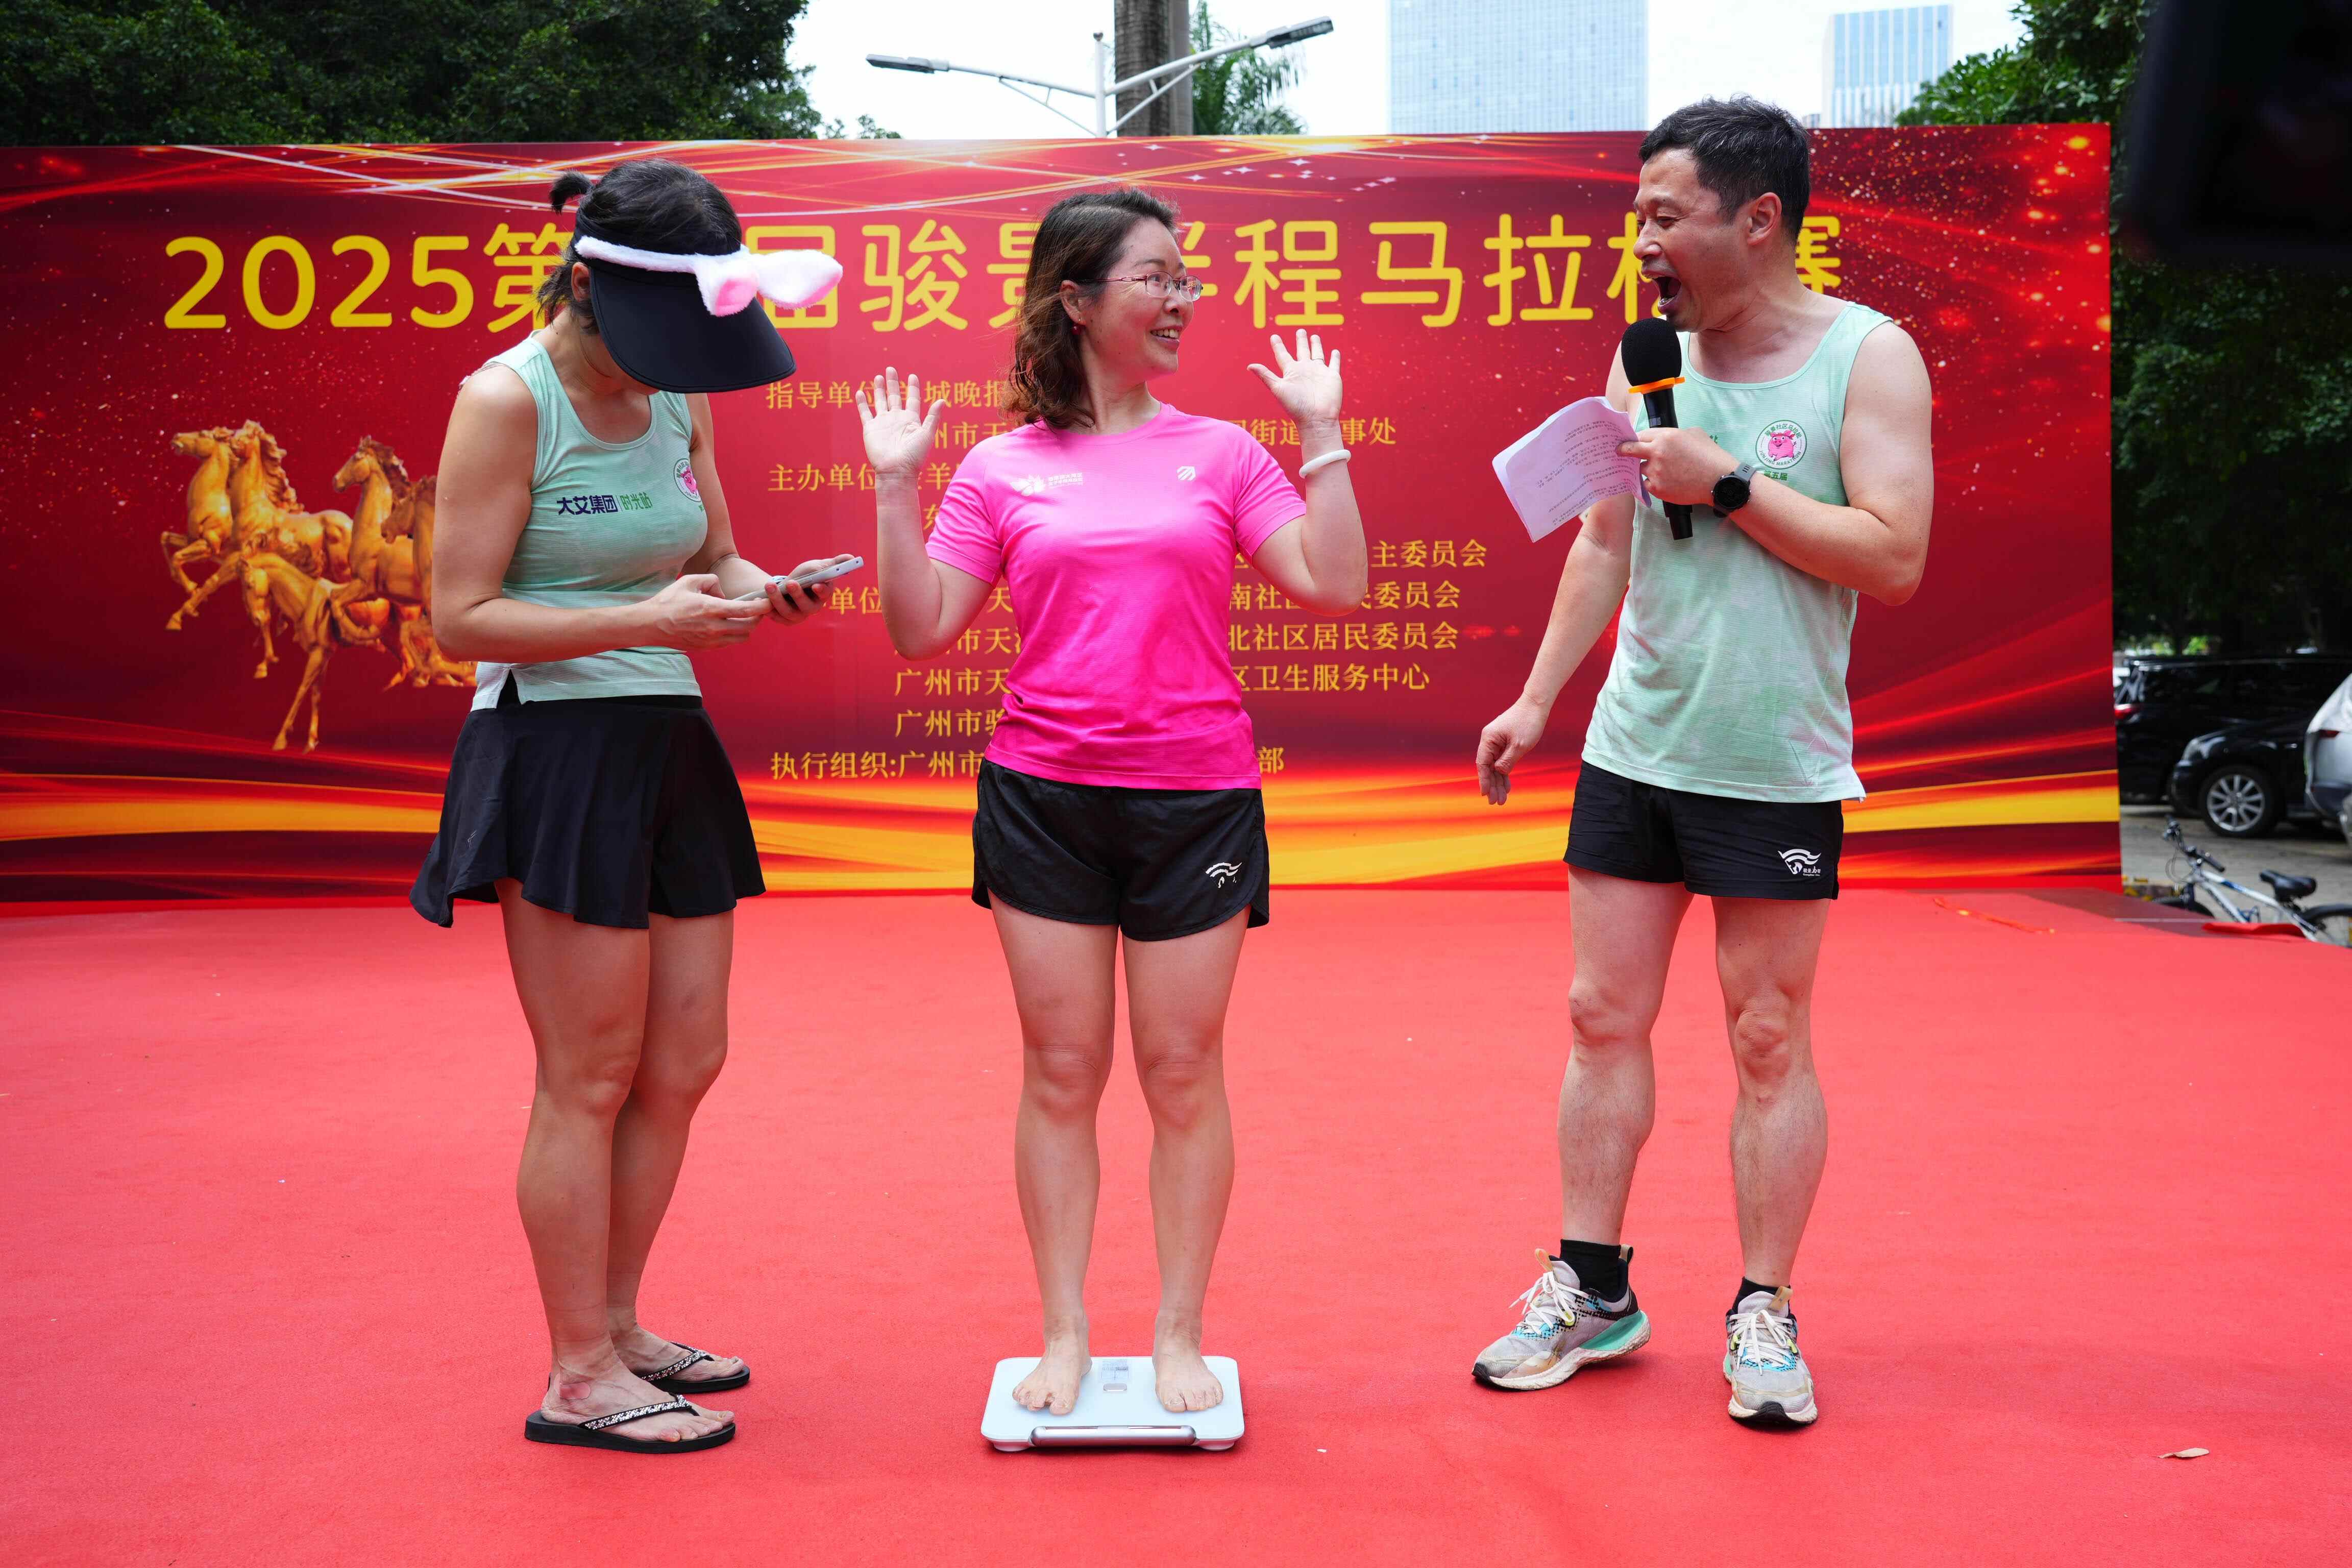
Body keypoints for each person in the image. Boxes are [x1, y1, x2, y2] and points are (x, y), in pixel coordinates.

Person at [857, 189, 1366, 1416]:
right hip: (1045, 797)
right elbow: (922, 632)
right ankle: (1065, 1334)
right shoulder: (1000, 468)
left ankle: (1180, 1332)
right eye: (1157, 277)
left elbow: (1335, 585)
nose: (1183, 298)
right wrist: (894, 490)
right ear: (1078, 301)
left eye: (1186, 277)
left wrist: (1323, 435)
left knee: (1182, 1072)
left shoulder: (1224, 453)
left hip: (1195, 798)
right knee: (1060, 1070)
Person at [1468, 97, 1934, 1427]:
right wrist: (1538, 698)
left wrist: (1726, 481)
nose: (1643, 242)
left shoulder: (1867, 357)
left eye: (1664, 216)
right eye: (1638, 218)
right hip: (1636, 749)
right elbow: (1603, 542)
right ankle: (1591, 1285)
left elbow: (1894, 557)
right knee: (1597, 1016)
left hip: (1775, 761)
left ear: (1758, 218)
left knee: (1768, 1035)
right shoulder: (1647, 361)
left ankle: (1764, 1307)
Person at [411, 159, 847, 1453]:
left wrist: (764, 592)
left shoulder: (676, 397)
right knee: (590, 1073)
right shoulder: (506, 399)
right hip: (554, 751)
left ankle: (619, 1328)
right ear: (591, 290)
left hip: (669, 739)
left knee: (684, 1061)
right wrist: (644, 621)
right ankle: (577, 1375)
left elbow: (715, 558)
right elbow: (459, 619)